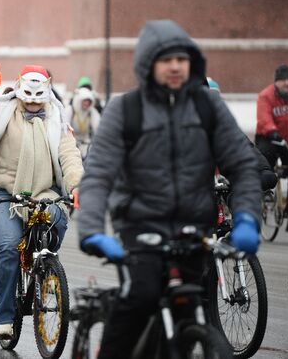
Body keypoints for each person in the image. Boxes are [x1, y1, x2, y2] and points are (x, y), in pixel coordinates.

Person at [77, 20, 261, 358]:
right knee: (142, 298)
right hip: (141, 229)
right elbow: (98, 174)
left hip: (194, 231)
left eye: (181, 58)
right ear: (148, 65)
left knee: (187, 312)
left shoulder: (209, 108)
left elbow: (242, 164)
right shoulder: (126, 110)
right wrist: (91, 230)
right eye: (166, 59)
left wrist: (248, 216)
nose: (175, 66)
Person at [0, 62, 84, 338]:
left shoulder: (57, 117)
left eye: (37, 98)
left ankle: (46, 269)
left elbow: (70, 154)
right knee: (8, 246)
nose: (31, 103)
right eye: (27, 97)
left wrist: (77, 185)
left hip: (43, 193)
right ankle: (4, 314)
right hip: (3, 193)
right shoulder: (4, 107)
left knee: (58, 220)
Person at [255, 64, 288, 169]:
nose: (287, 83)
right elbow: (264, 117)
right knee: (265, 154)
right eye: (283, 80)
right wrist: (272, 131)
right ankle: (267, 179)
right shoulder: (266, 96)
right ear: (276, 82)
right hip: (271, 138)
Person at [64, 87, 101, 158]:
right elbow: (64, 129)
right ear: (79, 100)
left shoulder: (92, 112)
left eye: (89, 101)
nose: (87, 103)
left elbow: (98, 129)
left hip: (87, 145)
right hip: (71, 145)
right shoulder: (70, 110)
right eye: (85, 100)